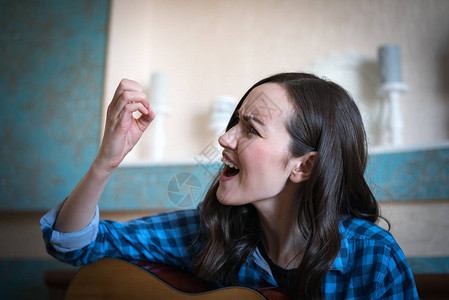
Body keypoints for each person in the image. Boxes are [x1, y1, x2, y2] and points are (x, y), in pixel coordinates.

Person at [41, 73, 419, 299]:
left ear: (304, 166)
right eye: (235, 122)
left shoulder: (374, 261)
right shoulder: (207, 233)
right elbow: (75, 244)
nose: (225, 139)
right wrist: (107, 161)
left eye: (251, 129)